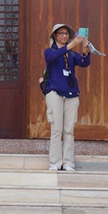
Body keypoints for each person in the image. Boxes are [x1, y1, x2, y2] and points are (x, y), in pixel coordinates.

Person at [42, 23, 90, 171]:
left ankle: (68, 162)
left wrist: (85, 50)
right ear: (55, 35)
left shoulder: (72, 54)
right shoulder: (50, 51)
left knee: (69, 130)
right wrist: (70, 46)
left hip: (72, 94)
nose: (64, 36)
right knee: (56, 129)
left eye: (66, 34)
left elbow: (84, 63)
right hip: (55, 93)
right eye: (61, 33)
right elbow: (52, 57)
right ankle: (55, 163)